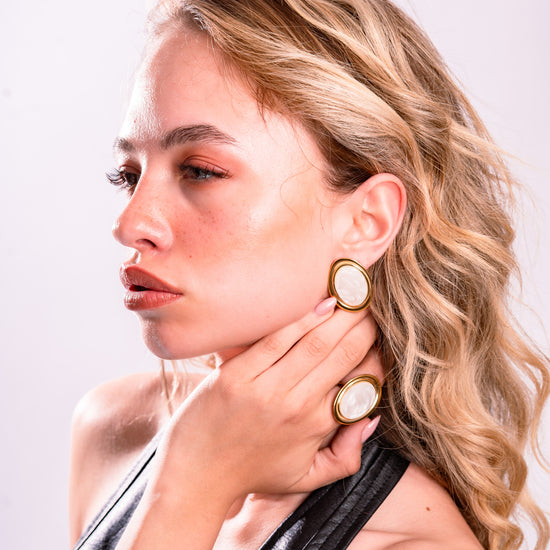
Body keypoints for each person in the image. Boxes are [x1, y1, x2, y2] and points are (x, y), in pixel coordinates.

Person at [68, 1, 549, 548]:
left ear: (367, 221)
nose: (130, 224)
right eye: (128, 175)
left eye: (200, 171)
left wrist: (191, 486)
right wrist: (191, 476)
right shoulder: (114, 430)